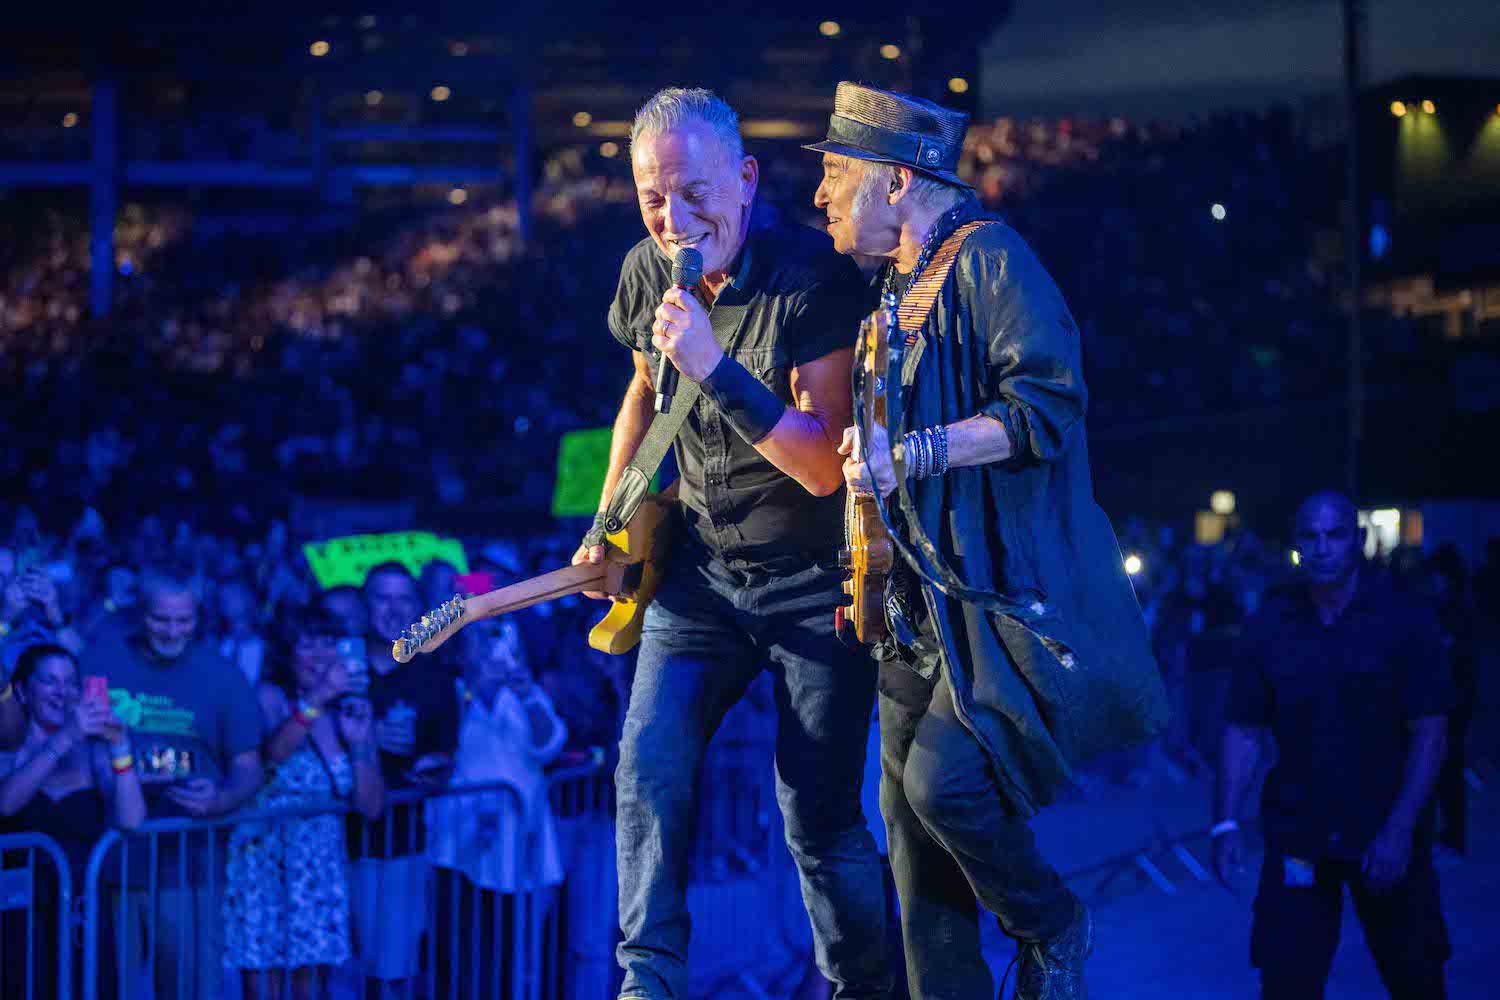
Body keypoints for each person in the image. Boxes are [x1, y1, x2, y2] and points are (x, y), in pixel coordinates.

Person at [810, 82, 1168, 999]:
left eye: (836, 172)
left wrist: (912, 453)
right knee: (913, 848)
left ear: (897, 181)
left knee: (943, 786)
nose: (820, 195)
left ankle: (1052, 921)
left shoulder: (991, 259)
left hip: (989, 604)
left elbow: (1044, 406)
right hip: (912, 610)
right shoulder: (893, 291)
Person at [574, 86, 889, 1000]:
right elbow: (643, 393)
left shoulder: (811, 278)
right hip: (703, 575)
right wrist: (609, 520)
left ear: (745, 179)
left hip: (815, 582)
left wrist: (712, 365)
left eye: (694, 193)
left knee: (816, 814)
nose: (674, 220)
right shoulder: (647, 271)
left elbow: (824, 466)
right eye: (653, 199)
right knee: (647, 770)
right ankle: (649, 981)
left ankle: (865, 987)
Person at [1213, 491, 1453, 999]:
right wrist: (1226, 820)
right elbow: (1244, 728)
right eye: (1310, 536)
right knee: (1287, 979)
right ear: (1297, 543)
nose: (1322, 548)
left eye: (1335, 534)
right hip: (1301, 839)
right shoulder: (1271, 624)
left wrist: (1399, 830)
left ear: (1358, 540)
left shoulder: (1404, 619)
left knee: (1416, 976)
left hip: (1383, 834)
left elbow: (1430, 730)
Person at [79, 567, 266, 999]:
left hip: (189, 861)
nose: (172, 631)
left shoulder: (222, 675)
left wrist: (221, 799)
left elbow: (249, 768)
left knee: (187, 988)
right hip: (113, 858)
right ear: (140, 613)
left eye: (184, 620)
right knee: (110, 988)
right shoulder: (103, 659)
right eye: (161, 619)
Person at [224, 607, 385, 1000]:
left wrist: (360, 742)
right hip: (264, 862)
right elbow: (272, 755)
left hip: (318, 867)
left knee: (311, 988)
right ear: (286, 652)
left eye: (329, 643)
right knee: (263, 987)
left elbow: (371, 807)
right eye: (308, 644)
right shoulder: (268, 697)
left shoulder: (347, 708)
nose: (321, 654)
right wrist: (317, 698)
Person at [429, 617, 567, 998]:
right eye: (481, 643)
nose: (493, 655)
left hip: (519, 842)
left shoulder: (527, 695)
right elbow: (442, 747)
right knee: (463, 952)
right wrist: (474, 691)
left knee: (515, 952)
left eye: (501, 645)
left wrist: (527, 694)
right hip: (461, 842)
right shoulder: (453, 692)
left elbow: (550, 745)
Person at [0, 643, 144, 998]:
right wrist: (64, 738)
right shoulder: (9, 748)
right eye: (49, 681)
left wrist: (120, 747)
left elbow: (131, 820)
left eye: (69, 683)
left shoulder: (94, 750)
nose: (61, 692)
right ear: (23, 691)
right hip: (19, 911)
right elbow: (6, 804)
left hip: (83, 906)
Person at [346, 561, 458, 997]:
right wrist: (366, 736)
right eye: (382, 598)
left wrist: (432, 770)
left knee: (390, 969)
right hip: (327, 839)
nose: (393, 609)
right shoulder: (336, 666)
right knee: (328, 975)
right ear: (363, 605)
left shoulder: (433, 676)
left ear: (416, 607)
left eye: (403, 599)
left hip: (399, 843)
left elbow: (445, 760)